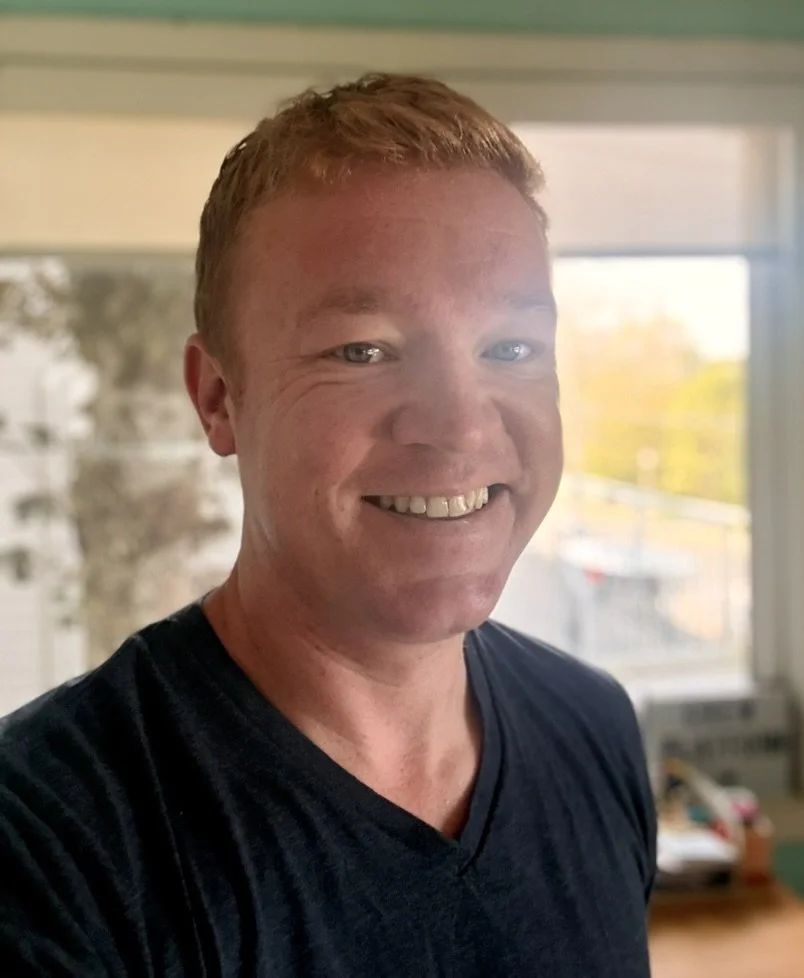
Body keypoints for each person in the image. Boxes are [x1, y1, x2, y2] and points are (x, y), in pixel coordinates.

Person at [0, 74, 656, 976]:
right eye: (362, 350)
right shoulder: (47, 845)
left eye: (510, 348)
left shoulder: (594, 730)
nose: (460, 428)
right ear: (219, 397)